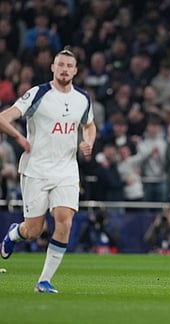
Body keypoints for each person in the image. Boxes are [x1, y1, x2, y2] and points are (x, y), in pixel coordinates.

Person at [0, 47, 96, 293]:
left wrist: (88, 141)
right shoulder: (38, 94)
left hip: (66, 170)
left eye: (69, 66)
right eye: (60, 65)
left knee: (65, 221)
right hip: (37, 170)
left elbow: (89, 124)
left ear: (75, 71)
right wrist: (20, 139)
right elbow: (3, 118)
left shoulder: (82, 98)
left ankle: (44, 281)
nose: (64, 69)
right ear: (53, 68)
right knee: (33, 230)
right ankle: (14, 234)